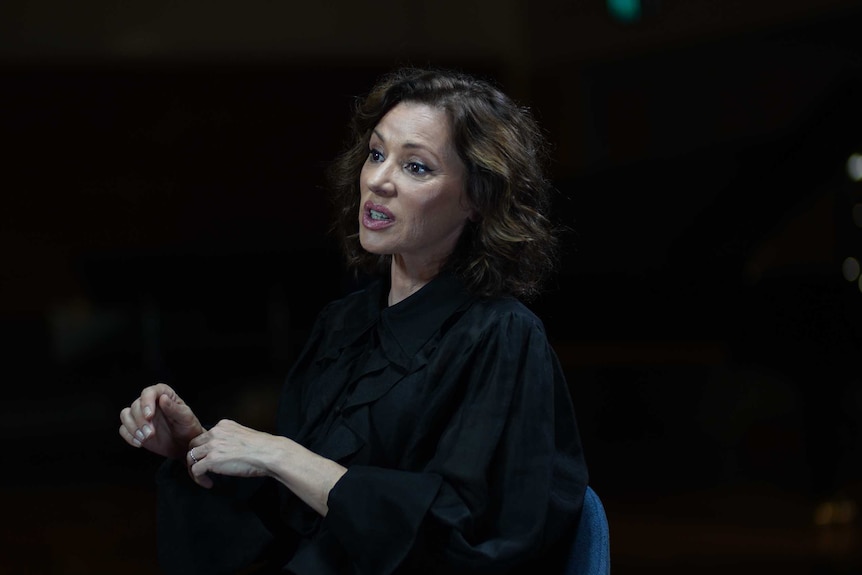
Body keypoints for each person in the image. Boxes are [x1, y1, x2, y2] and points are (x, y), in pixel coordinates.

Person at [119, 66, 589, 575]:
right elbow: (292, 520)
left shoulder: (502, 336)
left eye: (416, 168)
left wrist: (282, 455)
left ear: (477, 199)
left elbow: (466, 537)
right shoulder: (342, 324)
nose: (380, 181)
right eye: (377, 153)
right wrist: (197, 450)